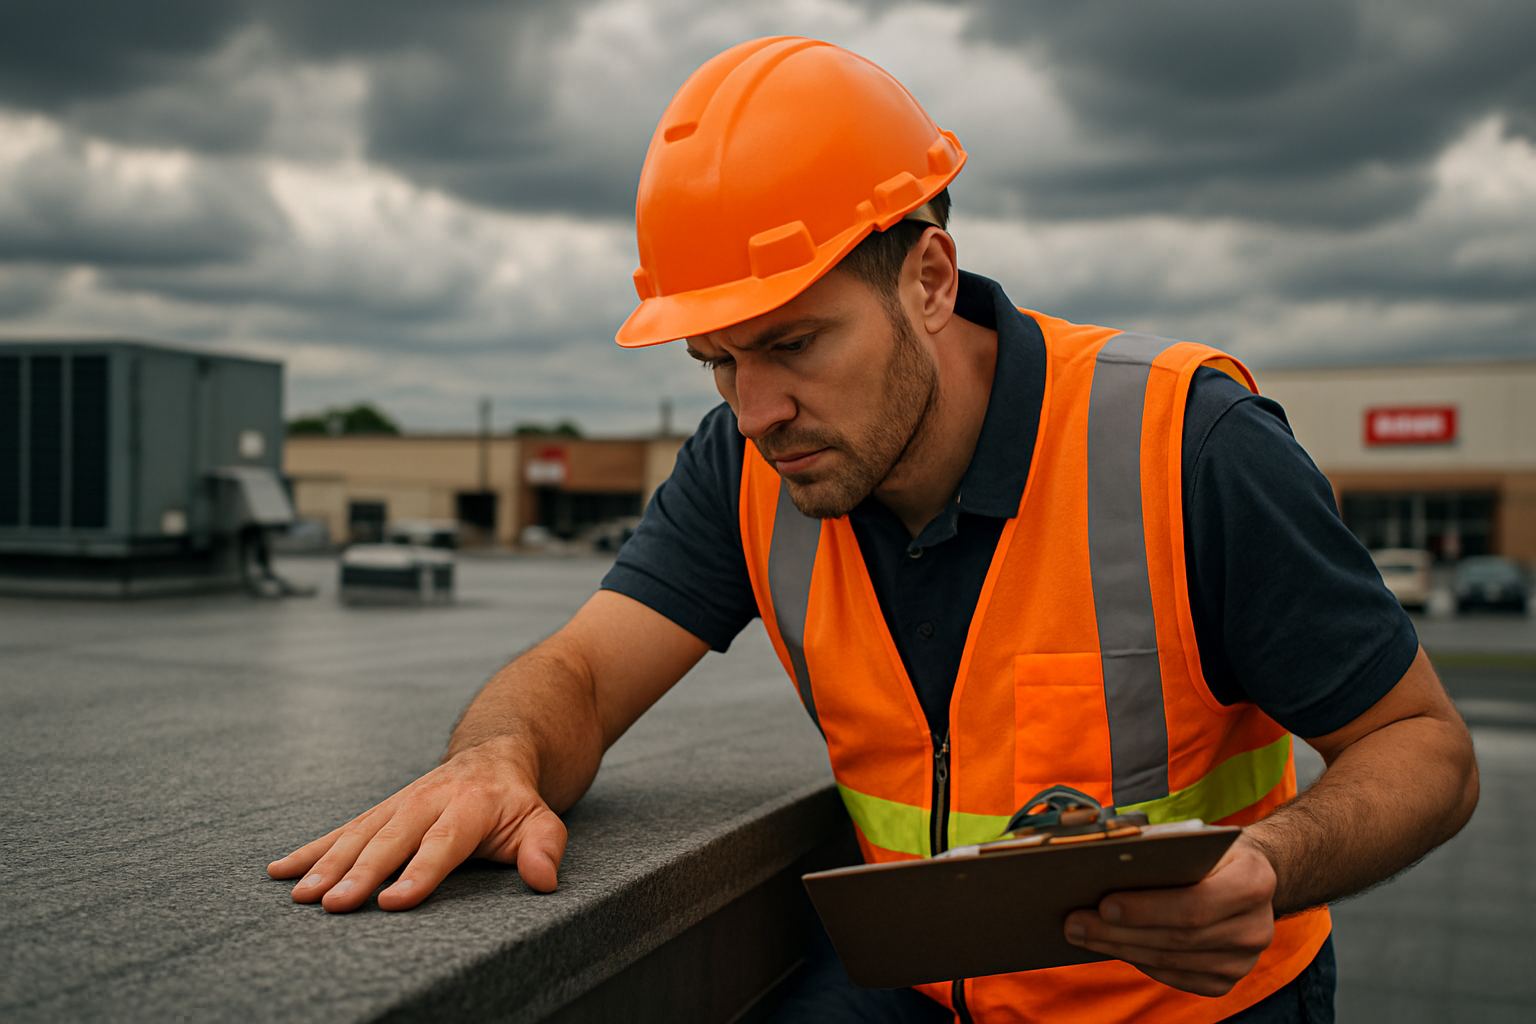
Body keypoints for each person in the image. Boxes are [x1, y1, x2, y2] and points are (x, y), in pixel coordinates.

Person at [268, 37, 1478, 1023]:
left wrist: (1273, 865)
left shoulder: (1188, 446)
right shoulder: (745, 462)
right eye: (718, 362)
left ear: (932, 278)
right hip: (923, 996)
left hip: (1189, 1006)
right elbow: (578, 672)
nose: (757, 409)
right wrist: (496, 756)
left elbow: (1425, 750)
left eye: (794, 343)